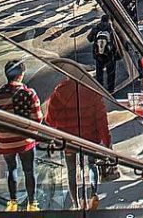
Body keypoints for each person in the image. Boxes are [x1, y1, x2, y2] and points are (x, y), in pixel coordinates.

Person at [44, 67, 110, 210]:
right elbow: (101, 120)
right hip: (90, 139)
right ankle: (93, 194)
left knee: (71, 171)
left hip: (68, 141)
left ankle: (76, 202)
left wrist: (60, 129)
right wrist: (107, 142)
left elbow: (49, 119)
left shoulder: (58, 93)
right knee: (92, 165)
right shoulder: (92, 93)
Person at [0, 60, 42, 211]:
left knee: (11, 169)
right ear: (21, 75)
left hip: (5, 142)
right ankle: (32, 203)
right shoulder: (29, 93)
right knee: (29, 171)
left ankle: (13, 203)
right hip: (26, 141)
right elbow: (38, 118)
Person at [87, 14, 119, 93]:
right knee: (111, 73)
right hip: (110, 54)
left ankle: (100, 88)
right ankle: (110, 90)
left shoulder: (96, 28)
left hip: (98, 54)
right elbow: (118, 40)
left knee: (99, 72)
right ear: (108, 21)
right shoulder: (112, 29)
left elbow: (89, 39)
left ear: (101, 20)